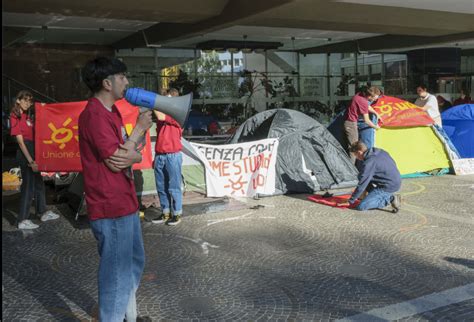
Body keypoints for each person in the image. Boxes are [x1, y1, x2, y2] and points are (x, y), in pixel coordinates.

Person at [79, 57, 153, 322]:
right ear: (107, 83)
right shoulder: (95, 115)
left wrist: (133, 145)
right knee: (116, 274)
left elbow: (126, 153)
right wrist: (139, 133)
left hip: (125, 202)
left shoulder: (113, 112)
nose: (127, 82)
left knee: (133, 263)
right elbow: (116, 161)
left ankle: (124, 314)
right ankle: (113, 316)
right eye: (122, 77)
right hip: (110, 205)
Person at [9, 90, 60, 230]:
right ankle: (22, 220)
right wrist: (31, 161)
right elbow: (20, 142)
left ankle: (42, 212)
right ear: (18, 100)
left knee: (39, 185)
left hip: (33, 153)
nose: (28, 103)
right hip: (26, 155)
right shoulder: (15, 116)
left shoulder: (27, 116)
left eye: (30, 101)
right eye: (25, 100)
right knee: (28, 187)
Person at [150, 87, 184, 226]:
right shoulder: (165, 116)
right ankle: (166, 212)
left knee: (174, 186)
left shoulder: (177, 115)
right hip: (161, 155)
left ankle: (177, 213)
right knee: (161, 186)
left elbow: (160, 116)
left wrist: (153, 102)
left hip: (172, 155)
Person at [338, 141, 402, 212]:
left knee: (362, 206)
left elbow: (362, 183)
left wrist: (350, 201)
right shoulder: (380, 151)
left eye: (356, 155)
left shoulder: (369, 163)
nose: (357, 158)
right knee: (361, 175)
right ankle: (373, 195)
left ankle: (390, 198)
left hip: (388, 186)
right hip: (396, 180)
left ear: (359, 152)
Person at [343, 86, 381, 162]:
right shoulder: (362, 101)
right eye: (374, 98)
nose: (375, 100)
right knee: (354, 148)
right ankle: (351, 170)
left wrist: (376, 113)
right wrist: (375, 127)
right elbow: (366, 120)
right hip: (350, 124)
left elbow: (367, 106)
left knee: (354, 146)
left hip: (349, 122)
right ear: (370, 96)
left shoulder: (360, 95)